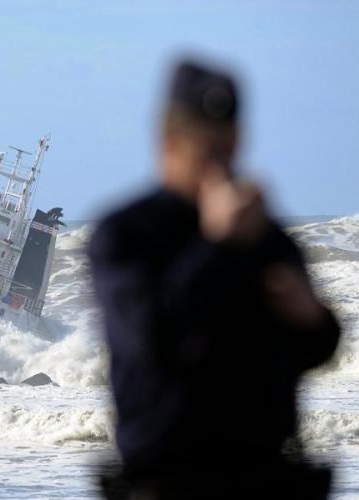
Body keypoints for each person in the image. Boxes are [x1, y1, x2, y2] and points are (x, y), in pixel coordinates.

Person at [89, 59, 341, 499]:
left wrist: (315, 319)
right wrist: (217, 247)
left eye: (227, 149)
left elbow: (313, 350)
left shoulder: (265, 236)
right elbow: (152, 337)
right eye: (206, 151)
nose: (219, 166)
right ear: (168, 143)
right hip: (167, 481)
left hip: (267, 478)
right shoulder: (126, 234)